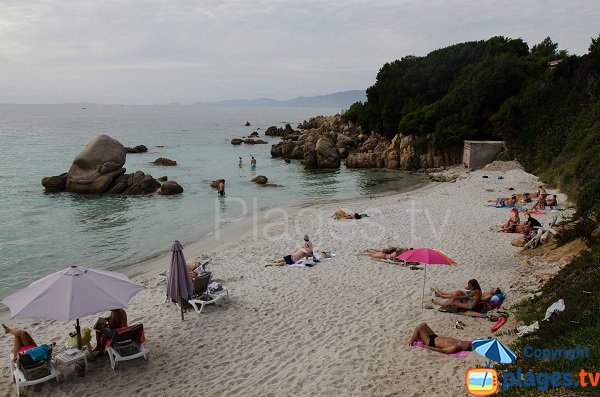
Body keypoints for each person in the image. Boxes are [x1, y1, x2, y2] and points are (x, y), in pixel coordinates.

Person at [407, 323, 473, 354]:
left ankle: (410, 342)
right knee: (423, 324)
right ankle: (418, 335)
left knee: (419, 327)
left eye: (464, 343)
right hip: (435, 336)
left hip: (430, 342)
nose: (463, 342)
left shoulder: (454, 348)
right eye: (465, 342)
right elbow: (471, 342)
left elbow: (442, 351)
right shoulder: (458, 342)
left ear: (463, 348)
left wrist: (428, 347)